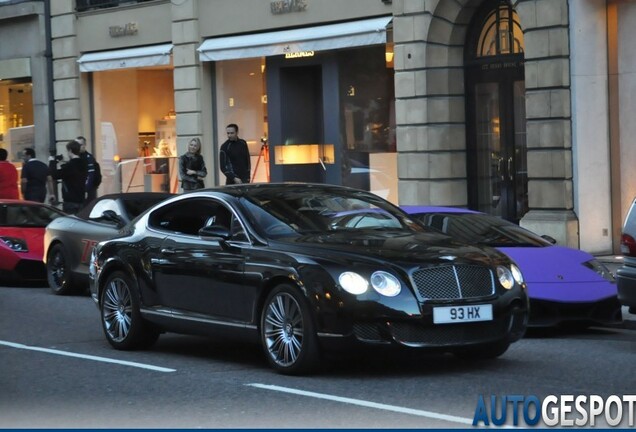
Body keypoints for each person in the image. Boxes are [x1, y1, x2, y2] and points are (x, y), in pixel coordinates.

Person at [49, 140, 87, 214]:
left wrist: (52, 162)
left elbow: (54, 175)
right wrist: (63, 163)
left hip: (70, 201)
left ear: (70, 150)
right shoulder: (83, 164)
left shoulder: (70, 166)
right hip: (81, 200)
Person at [76, 136, 101, 204]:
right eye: (76, 145)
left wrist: (86, 189)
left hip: (88, 190)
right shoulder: (76, 157)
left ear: (84, 145)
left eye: (80, 145)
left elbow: (91, 175)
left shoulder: (88, 158)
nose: (78, 147)